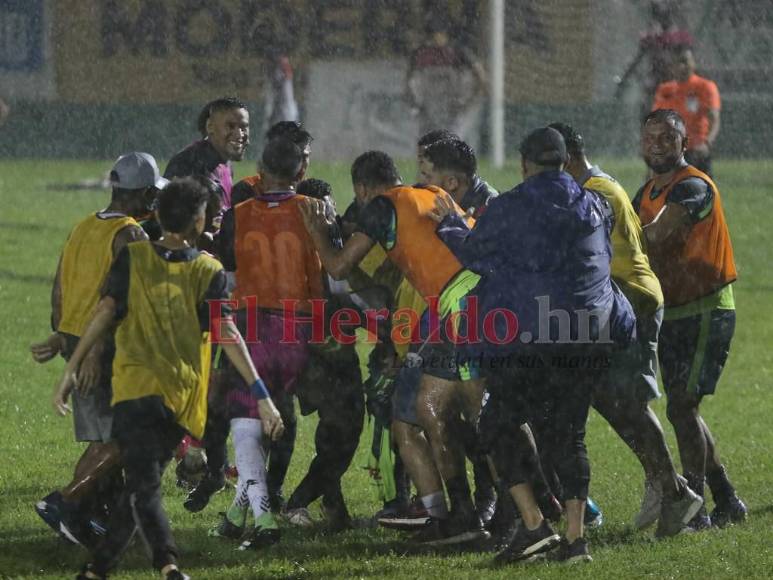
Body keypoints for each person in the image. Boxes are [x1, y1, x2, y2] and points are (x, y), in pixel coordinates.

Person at [51, 178, 284, 580]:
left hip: (134, 391)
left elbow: (104, 312)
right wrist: (261, 394)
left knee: (142, 487)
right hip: (179, 399)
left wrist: (70, 369)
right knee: (144, 485)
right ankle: (164, 566)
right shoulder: (208, 270)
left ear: (157, 215)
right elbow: (227, 334)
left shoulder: (134, 258)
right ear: (200, 221)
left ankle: (108, 568)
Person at [431, 127, 636, 563]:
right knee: (569, 434)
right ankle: (576, 540)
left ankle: (534, 526)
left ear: (525, 164)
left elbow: (475, 253)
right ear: (564, 162)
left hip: (533, 337)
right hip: (588, 336)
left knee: (495, 426)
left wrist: (448, 223)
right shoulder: (596, 204)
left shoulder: (511, 205)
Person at [300, 151, 488, 545]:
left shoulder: (381, 207)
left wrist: (318, 230)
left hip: (454, 310)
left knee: (418, 420)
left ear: (363, 190)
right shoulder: (430, 194)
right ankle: (483, 512)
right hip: (483, 304)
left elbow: (337, 267)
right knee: (461, 414)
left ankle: (463, 514)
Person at [550, 122, 703, 536]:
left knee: (629, 402)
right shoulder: (589, 187)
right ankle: (664, 481)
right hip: (611, 302)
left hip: (631, 300)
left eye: (547, 166)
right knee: (605, 396)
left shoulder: (596, 191)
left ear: (564, 159)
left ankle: (674, 490)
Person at [30, 153, 160, 545]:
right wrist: (97, 351)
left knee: (105, 439)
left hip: (77, 342)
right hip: (106, 350)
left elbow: (60, 288)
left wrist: (63, 337)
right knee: (128, 437)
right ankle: (65, 503)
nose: (154, 200)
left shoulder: (83, 226)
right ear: (140, 193)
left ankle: (94, 520)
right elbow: (118, 298)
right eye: (151, 193)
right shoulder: (131, 234)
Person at [634, 108, 747, 529]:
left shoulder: (693, 186)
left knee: (682, 408)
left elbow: (660, 234)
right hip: (671, 312)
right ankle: (726, 499)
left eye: (667, 138)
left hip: (705, 311)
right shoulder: (645, 192)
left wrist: (620, 240)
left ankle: (693, 507)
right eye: (650, 138)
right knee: (685, 411)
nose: (657, 145)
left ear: (684, 143)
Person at [214, 138, 325, 526]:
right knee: (277, 416)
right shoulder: (313, 210)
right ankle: (237, 515)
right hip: (298, 329)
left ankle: (259, 517)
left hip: (250, 328)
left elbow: (226, 279)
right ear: (301, 172)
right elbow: (330, 272)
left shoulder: (238, 213)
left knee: (249, 420)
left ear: (261, 170)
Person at [406, 20, 486, 146]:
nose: (436, 39)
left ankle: (452, 158)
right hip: (431, 104)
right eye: (433, 35)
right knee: (427, 138)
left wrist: (472, 98)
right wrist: (413, 99)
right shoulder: (422, 53)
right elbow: (409, 77)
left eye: (439, 34)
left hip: (454, 104)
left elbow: (480, 74)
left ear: (445, 35)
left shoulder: (458, 52)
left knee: (452, 137)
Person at [164, 97, 250, 209]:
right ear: (210, 127)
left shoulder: (224, 160)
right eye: (230, 126)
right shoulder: (189, 164)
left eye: (243, 127)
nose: (239, 135)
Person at [615, 0, 693, 120]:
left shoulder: (675, 39)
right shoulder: (654, 39)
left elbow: (688, 62)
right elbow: (637, 60)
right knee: (651, 115)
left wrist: (625, 79)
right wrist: (624, 80)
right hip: (657, 83)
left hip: (670, 83)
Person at [652, 47, 721, 176]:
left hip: (695, 151)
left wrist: (707, 143)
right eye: (678, 62)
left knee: (699, 191)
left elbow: (714, 118)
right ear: (672, 66)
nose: (682, 66)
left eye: (685, 61)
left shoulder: (705, 87)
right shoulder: (665, 90)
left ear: (693, 63)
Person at [230, 121, 313, 207]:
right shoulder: (247, 191)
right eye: (291, 157)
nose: (298, 164)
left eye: (304, 157)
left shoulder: (312, 193)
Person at [418, 134, 498, 219]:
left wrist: (454, 228)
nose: (422, 182)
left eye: (428, 177)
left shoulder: (489, 212)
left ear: (451, 183)